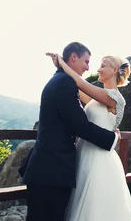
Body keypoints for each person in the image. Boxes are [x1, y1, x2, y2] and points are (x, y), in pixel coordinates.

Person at [21, 42, 120, 221]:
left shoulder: (60, 80)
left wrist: (62, 65)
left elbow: (82, 90)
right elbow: (80, 125)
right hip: (52, 171)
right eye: (86, 61)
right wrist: (112, 138)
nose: (89, 67)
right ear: (73, 57)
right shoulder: (65, 83)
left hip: (50, 169)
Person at [47, 51, 131, 221]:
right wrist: (59, 69)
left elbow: (80, 82)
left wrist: (62, 63)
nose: (99, 69)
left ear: (114, 69)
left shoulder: (115, 98)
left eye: (103, 66)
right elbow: (75, 85)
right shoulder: (97, 98)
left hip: (98, 159)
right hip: (83, 156)